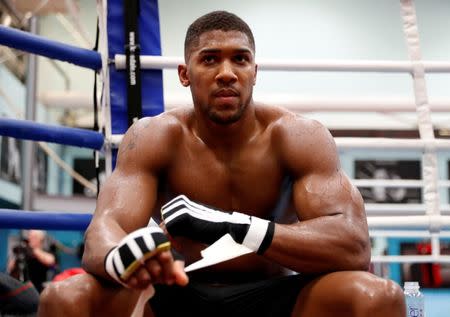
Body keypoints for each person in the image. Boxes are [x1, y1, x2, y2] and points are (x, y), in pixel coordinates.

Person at [39, 10, 406, 316]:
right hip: (176, 292)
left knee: (378, 297)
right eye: (210, 59)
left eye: (240, 59)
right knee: (63, 298)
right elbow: (102, 233)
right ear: (185, 74)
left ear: (254, 72)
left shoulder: (298, 136)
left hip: (276, 294)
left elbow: (353, 246)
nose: (227, 72)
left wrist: (232, 226)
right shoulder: (154, 136)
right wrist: (126, 256)